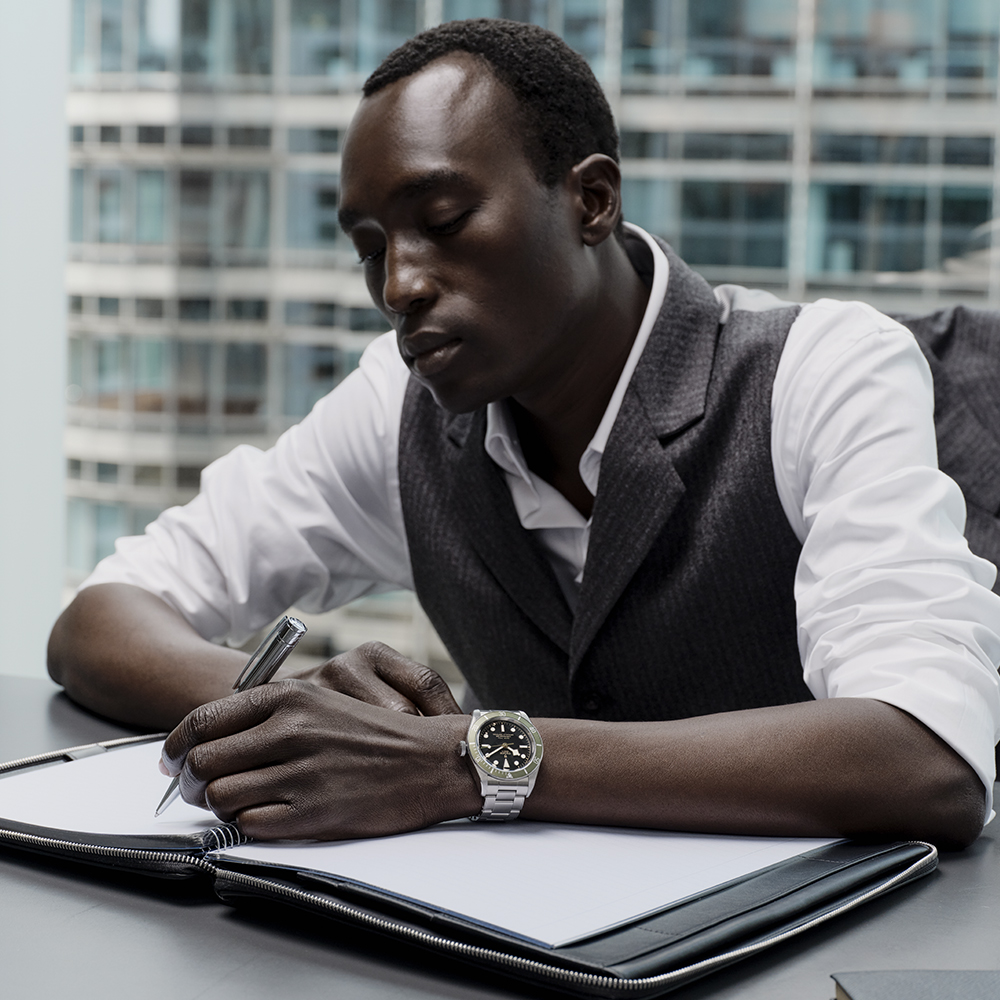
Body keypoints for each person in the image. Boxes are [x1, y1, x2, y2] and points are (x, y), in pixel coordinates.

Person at [48, 19, 1000, 849]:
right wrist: (314, 711)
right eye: (371, 247)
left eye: (446, 221)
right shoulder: (404, 407)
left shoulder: (821, 368)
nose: (400, 287)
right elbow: (102, 618)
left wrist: (468, 760)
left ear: (591, 200)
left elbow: (925, 757)